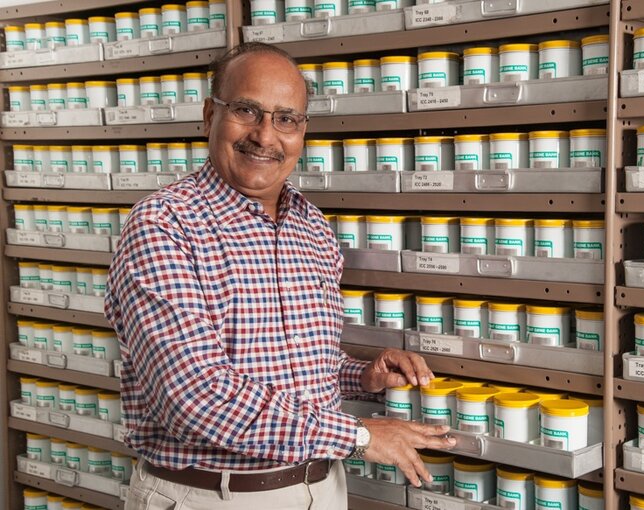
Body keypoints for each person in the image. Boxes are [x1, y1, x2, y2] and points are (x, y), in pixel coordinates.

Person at [105, 42, 455, 510]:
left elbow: (294, 367)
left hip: (321, 489)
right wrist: (355, 433)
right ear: (210, 115)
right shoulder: (164, 226)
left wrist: (358, 377)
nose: (266, 136)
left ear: (303, 131)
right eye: (247, 111)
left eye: (286, 118)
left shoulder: (311, 226)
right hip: (211, 496)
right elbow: (195, 398)